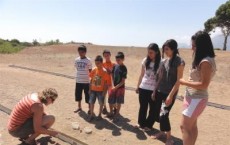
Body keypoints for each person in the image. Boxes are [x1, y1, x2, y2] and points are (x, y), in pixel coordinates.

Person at [180, 31, 216, 145]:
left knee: (184, 127)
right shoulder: (203, 59)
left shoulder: (206, 62)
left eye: (194, 45)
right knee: (192, 126)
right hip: (193, 97)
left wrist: (184, 82)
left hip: (197, 98)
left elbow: (204, 85)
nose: (192, 48)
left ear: (202, 46)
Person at [151, 39, 185, 145]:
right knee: (159, 113)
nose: (165, 51)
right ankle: (161, 132)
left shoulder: (180, 62)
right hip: (160, 91)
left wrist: (170, 95)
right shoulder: (165, 61)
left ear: (173, 49)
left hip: (170, 93)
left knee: (164, 114)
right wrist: (154, 90)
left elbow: (179, 80)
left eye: (167, 49)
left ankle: (169, 137)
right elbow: (159, 77)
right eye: (164, 49)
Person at [135, 43, 161, 131]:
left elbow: (160, 79)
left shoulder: (161, 63)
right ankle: (141, 123)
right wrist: (138, 86)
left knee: (152, 108)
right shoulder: (145, 60)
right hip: (143, 87)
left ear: (156, 52)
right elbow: (142, 74)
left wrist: (155, 91)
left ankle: (149, 125)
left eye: (151, 52)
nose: (149, 54)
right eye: (148, 52)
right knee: (143, 107)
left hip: (153, 89)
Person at [88, 55, 109, 121]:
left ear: (101, 63)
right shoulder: (94, 70)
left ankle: (99, 115)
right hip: (93, 90)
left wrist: (104, 92)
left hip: (100, 91)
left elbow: (106, 83)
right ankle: (91, 115)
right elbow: (91, 80)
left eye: (98, 63)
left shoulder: (104, 71)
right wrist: (89, 89)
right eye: (96, 63)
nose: (97, 65)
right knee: (91, 102)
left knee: (101, 103)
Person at [108, 52, 127, 122]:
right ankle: (111, 112)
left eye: (119, 60)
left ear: (123, 59)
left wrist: (116, 87)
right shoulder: (115, 66)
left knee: (119, 101)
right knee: (110, 100)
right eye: (117, 60)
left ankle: (116, 114)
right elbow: (112, 74)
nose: (117, 61)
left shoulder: (124, 68)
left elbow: (123, 81)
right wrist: (113, 84)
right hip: (113, 86)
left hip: (120, 88)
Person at [74, 45, 92, 114]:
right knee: (78, 95)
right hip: (78, 80)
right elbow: (77, 68)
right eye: (79, 52)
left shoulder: (88, 60)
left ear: (85, 52)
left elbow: (90, 71)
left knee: (88, 96)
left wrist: (90, 81)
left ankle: (90, 109)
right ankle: (79, 107)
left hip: (86, 81)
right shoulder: (76, 60)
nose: (80, 53)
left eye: (82, 52)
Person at [102, 50, 115, 115]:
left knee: (111, 97)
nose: (106, 57)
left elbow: (115, 74)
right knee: (103, 96)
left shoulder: (114, 64)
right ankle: (104, 108)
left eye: (108, 55)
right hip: (104, 83)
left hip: (111, 84)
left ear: (110, 55)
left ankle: (112, 110)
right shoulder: (102, 64)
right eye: (105, 55)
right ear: (103, 56)